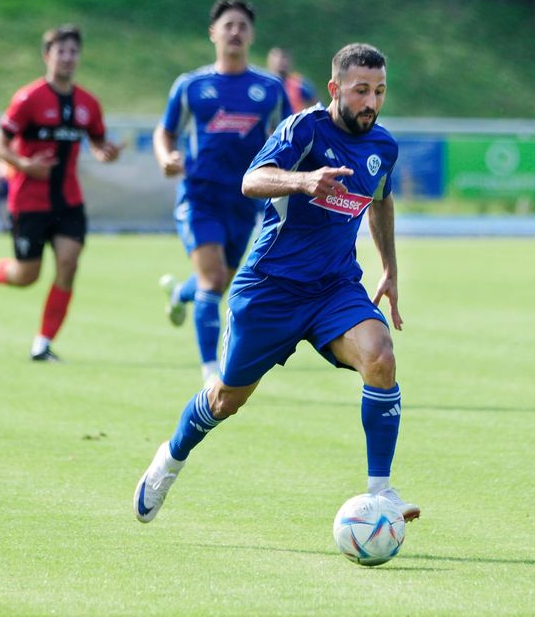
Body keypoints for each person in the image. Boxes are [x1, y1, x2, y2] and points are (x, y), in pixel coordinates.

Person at [134, 42, 419, 527]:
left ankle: (381, 493)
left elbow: (381, 198)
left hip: (333, 288)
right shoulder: (304, 128)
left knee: (381, 356)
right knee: (225, 399)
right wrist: (305, 182)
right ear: (335, 89)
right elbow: (253, 179)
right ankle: (170, 459)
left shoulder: (383, 146)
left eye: (379, 91)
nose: (371, 102)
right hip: (269, 288)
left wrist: (389, 267)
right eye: (360, 91)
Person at [0, 24, 123, 361]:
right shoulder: (28, 99)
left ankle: (43, 343)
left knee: (68, 262)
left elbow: (97, 142)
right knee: (26, 275)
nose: (67, 58)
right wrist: (25, 165)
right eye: (60, 51)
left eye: (73, 52)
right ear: (47, 56)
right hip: (29, 201)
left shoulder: (88, 104)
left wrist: (106, 152)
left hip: (69, 201)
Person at [154, 0, 291, 384]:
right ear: (213, 33)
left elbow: (290, 137)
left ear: (251, 36)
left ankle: (179, 294)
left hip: (245, 202)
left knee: (214, 281)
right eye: (228, 25)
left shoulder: (270, 89)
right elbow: (164, 131)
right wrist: (166, 156)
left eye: (242, 26)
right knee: (213, 280)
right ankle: (210, 371)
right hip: (200, 197)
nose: (235, 32)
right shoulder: (191, 86)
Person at [267, 46, 319, 112]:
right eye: (276, 56)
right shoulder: (262, 82)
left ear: (290, 60)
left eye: (284, 57)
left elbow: (317, 107)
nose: (280, 61)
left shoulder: (300, 84)